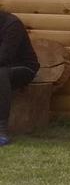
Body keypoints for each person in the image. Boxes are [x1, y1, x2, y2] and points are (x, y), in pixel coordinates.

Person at [0, 10, 40, 146]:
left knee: (0, 73)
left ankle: (1, 129)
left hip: (24, 68)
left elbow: (4, 57)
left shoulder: (11, 24)